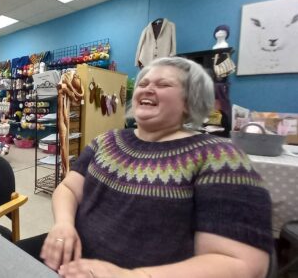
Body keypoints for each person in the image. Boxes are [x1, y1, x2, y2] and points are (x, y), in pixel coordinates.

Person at [20, 57, 272, 278]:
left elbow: (241, 264)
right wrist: (63, 223)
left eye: (163, 84)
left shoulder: (220, 158)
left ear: (189, 101)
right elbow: (69, 188)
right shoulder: (106, 141)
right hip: (70, 264)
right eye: (142, 83)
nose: (147, 88)